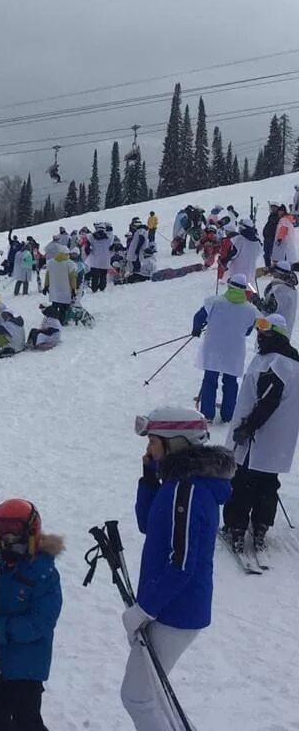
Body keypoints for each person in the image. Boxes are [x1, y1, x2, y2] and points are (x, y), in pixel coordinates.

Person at [122, 408, 233, 731]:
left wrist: (145, 609)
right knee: (154, 693)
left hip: (176, 611)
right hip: (170, 606)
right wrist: (148, 475)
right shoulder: (177, 484)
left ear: (175, 444)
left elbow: (182, 564)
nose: (148, 450)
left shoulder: (189, 491)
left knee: (138, 697)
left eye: (154, 442)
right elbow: (148, 524)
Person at [0, 499, 63, 730]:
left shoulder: (43, 571)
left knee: (25, 719)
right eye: (3, 529)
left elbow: (42, 621)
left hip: (26, 664)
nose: (9, 538)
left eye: (15, 530)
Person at [223, 313, 299, 553]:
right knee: (267, 481)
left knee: (244, 481)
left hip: (258, 437)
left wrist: (247, 427)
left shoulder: (274, 363)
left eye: (265, 332)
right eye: (259, 331)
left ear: (277, 335)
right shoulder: (292, 362)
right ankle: (260, 525)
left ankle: (236, 527)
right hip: (279, 440)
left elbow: (268, 401)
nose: (260, 336)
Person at [191, 274, 259, 422]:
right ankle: (228, 414)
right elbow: (248, 331)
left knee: (210, 379)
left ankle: (207, 414)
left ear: (230, 285)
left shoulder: (215, 301)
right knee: (230, 381)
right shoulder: (250, 310)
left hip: (213, 347)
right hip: (234, 350)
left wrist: (196, 329)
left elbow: (199, 317)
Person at [259, 262, 298, 337]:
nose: (273, 275)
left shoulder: (280, 290)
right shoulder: (290, 287)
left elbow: (269, 309)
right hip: (285, 330)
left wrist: (256, 301)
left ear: (279, 273)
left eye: (274, 272)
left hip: (274, 331)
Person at [43, 248, 77, 324]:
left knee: (54, 306)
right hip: (65, 290)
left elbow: (47, 276)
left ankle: (53, 320)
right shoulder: (70, 263)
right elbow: (72, 278)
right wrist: (74, 289)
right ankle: (62, 321)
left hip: (54, 289)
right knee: (64, 308)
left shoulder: (50, 262)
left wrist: (46, 286)